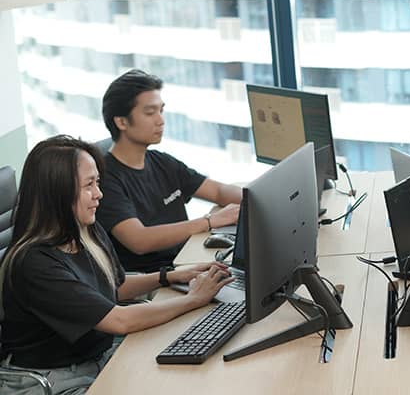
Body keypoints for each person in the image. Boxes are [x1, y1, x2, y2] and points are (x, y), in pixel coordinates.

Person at [0, 136, 234, 395]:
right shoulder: (34, 263)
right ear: (58, 191)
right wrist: (193, 299)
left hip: (95, 355)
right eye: (89, 185)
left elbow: (114, 286)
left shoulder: (84, 229)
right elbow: (117, 320)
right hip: (53, 379)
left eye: (97, 182)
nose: (99, 193)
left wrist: (170, 276)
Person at [96, 69, 242, 273]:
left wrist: (258, 199)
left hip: (186, 263)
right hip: (154, 280)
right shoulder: (104, 179)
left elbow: (217, 192)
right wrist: (209, 222)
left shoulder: (161, 162)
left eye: (161, 110)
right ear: (121, 122)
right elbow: (139, 240)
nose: (160, 120)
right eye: (150, 113)